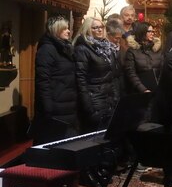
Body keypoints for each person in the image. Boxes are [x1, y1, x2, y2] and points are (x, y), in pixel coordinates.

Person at [30, 15, 79, 145]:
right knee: (53, 147)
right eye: (64, 29)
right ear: (55, 30)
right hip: (55, 108)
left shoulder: (64, 48)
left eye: (68, 28)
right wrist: (48, 108)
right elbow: (43, 82)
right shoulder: (47, 49)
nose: (68, 31)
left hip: (67, 106)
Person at [73, 17, 119, 132]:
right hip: (94, 100)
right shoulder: (83, 49)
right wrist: (88, 107)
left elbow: (113, 75)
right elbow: (81, 79)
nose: (99, 30)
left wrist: (116, 96)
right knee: (93, 136)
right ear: (88, 30)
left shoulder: (108, 47)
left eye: (101, 27)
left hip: (109, 98)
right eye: (95, 27)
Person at [124, 22, 163, 95]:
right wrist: (143, 89)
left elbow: (162, 69)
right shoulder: (132, 51)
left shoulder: (156, 49)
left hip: (157, 89)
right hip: (140, 91)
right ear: (142, 32)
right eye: (149, 31)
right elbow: (131, 73)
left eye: (153, 31)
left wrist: (160, 86)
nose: (152, 33)